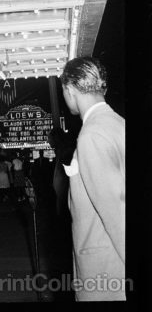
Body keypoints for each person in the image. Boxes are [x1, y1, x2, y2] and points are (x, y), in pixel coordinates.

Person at [60, 56, 125, 301]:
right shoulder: (117, 124)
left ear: (69, 90)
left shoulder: (92, 135)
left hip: (106, 273)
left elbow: (118, 215)